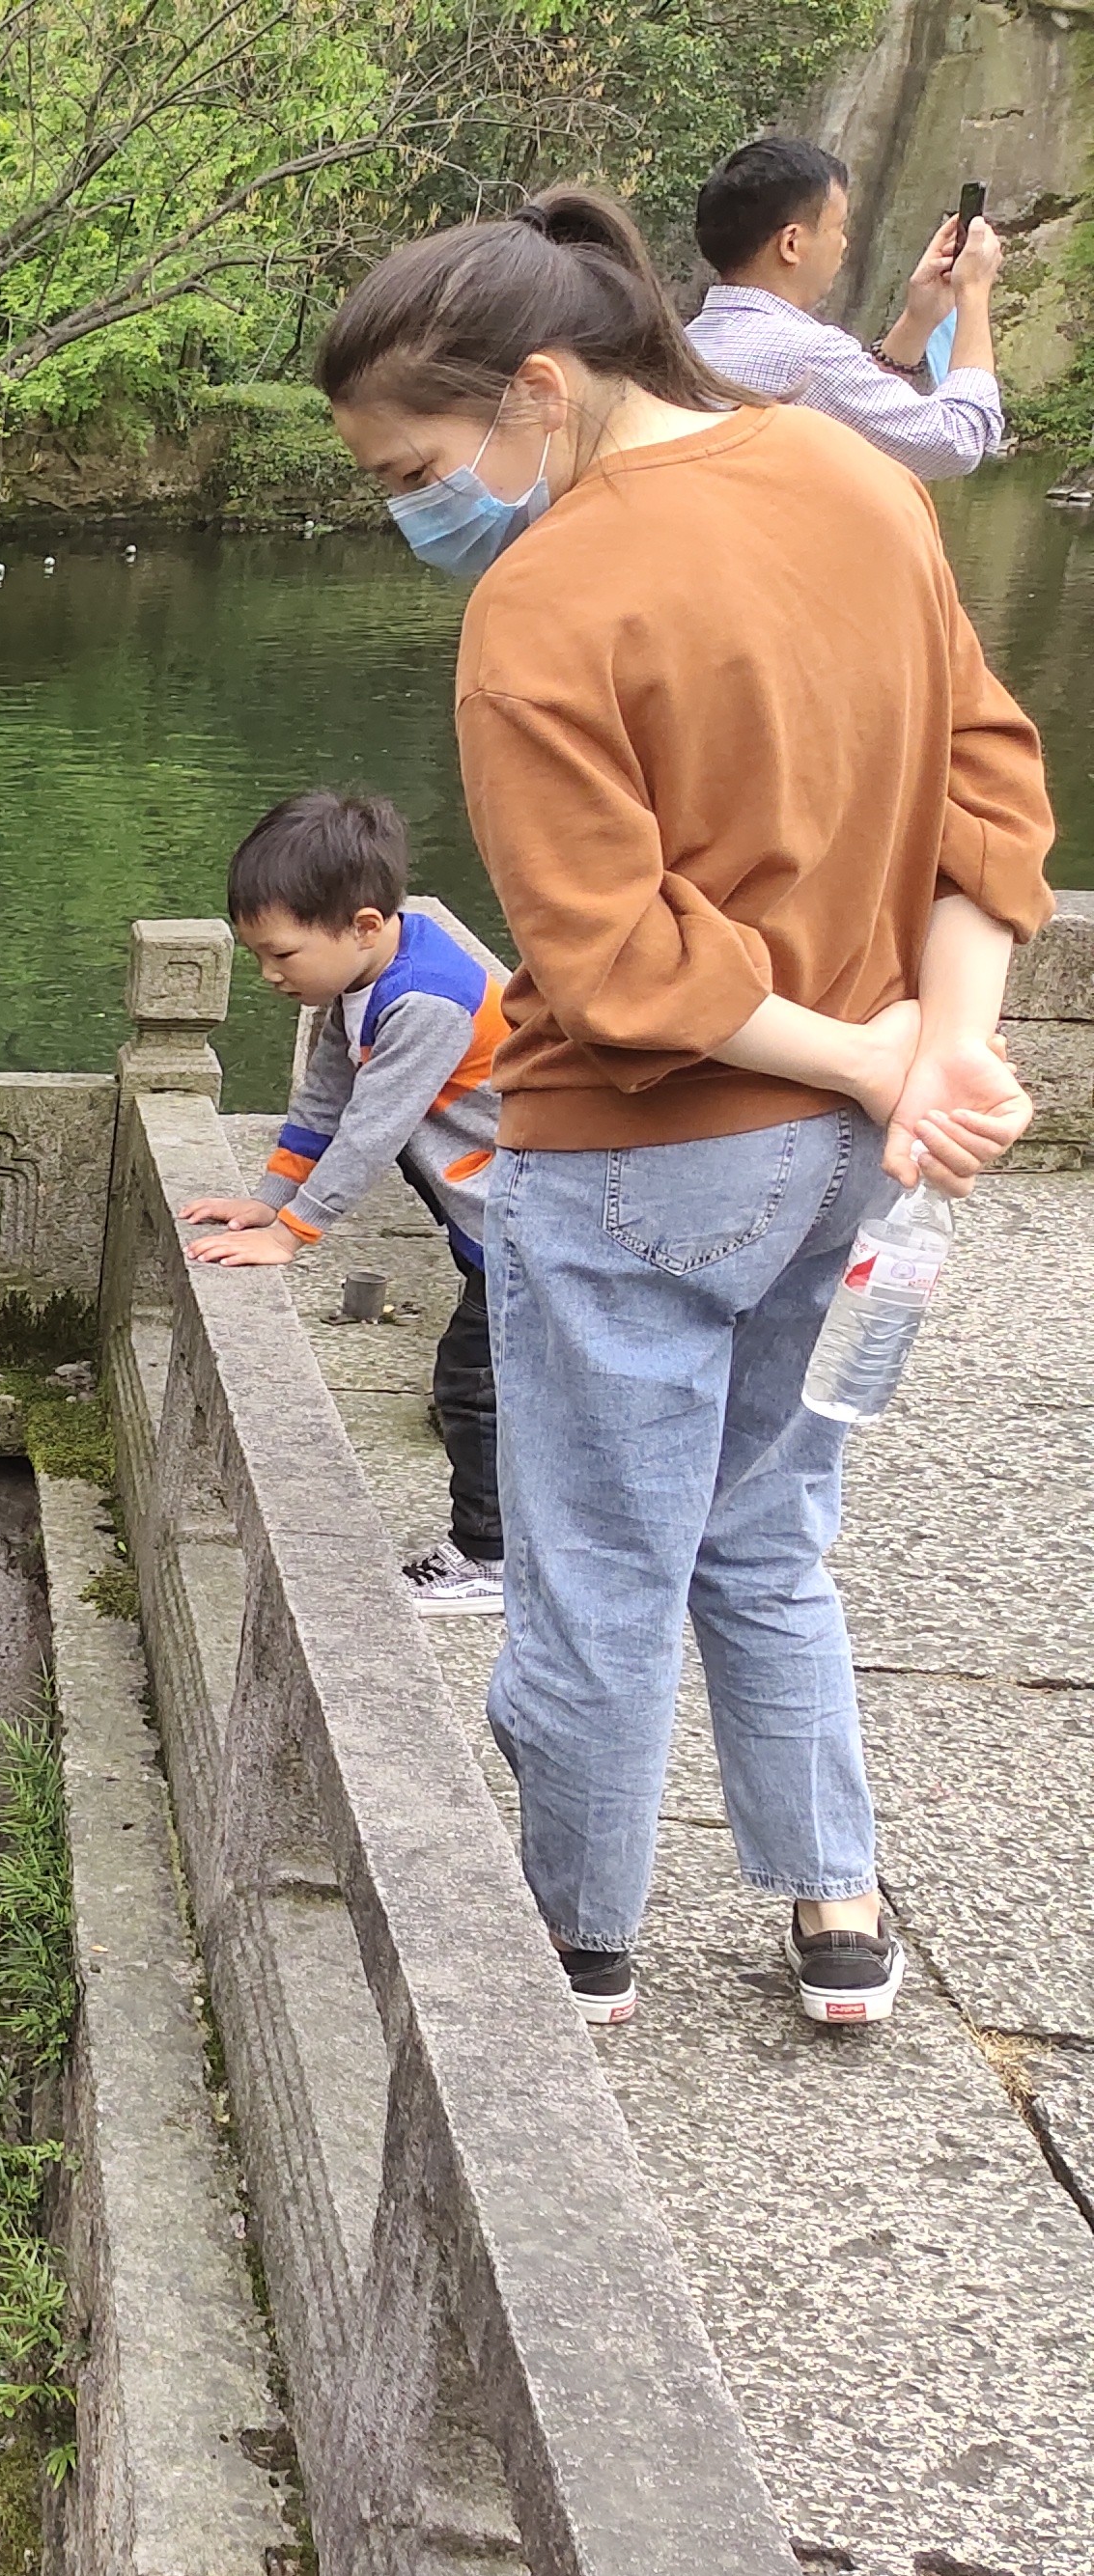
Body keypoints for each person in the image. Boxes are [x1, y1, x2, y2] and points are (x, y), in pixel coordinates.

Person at [314, 187, 1052, 2030]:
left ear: (537, 391)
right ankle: (834, 1908)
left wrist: (885, 1060)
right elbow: (991, 788)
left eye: (413, 469)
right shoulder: (850, 475)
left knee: (595, 1569)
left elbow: (618, 962)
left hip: (647, 1157)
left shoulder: (543, 597)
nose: (412, 510)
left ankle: (577, 1940)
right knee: (767, 1524)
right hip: (843, 1162)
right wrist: (937, 1051)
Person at [182, 789, 506, 1617]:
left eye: (282, 954)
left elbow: (370, 1132)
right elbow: (325, 1099)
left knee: (473, 1387)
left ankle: (489, 1558)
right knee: (499, 1386)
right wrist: (268, 1201)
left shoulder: (424, 1000)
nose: (270, 974)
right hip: (489, 1221)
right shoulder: (363, 977)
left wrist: (295, 1235)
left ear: (363, 925)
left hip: (531, 1224)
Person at [686, 136, 1004, 480]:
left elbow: (852, 406)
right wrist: (973, 292)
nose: (844, 243)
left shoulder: (683, 345)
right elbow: (958, 441)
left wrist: (918, 320)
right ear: (791, 244)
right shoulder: (809, 354)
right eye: (838, 228)